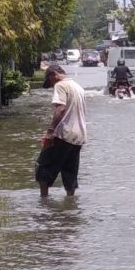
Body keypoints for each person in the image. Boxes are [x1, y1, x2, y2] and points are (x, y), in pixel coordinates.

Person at [35, 64, 87, 197]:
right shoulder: (78, 87)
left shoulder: (61, 85)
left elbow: (60, 109)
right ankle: (70, 205)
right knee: (70, 172)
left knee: (43, 170)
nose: (52, 85)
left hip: (63, 134)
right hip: (79, 136)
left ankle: (44, 203)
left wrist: (50, 131)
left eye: (50, 81)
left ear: (54, 75)